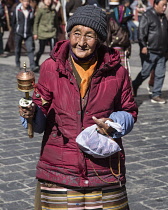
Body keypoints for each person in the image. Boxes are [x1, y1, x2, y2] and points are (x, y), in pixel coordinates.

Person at [19, 5, 138, 209]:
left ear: (99, 39)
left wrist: (114, 123)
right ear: (69, 33)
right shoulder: (51, 67)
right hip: (59, 168)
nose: (81, 42)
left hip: (103, 167)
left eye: (89, 36)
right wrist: (31, 114)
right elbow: (39, 119)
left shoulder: (117, 71)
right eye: (76, 34)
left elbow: (129, 111)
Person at [132, 0, 168, 104]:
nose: (165, 7)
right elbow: (141, 32)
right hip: (150, 51)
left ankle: (156, 94)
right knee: (145, 72)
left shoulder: (163, 17)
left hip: (162, 51)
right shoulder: (147, 15)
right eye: (163, 5)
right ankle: (134, 85)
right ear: (155, 4)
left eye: (166, 5)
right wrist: (143, 46)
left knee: (160, 74)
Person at [12, 0, 38, 71]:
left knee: (30, 49)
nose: (26, 3)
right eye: (24, 1)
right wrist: (15, 30)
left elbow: (32, 22)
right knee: (17, 49)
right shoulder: (17, 10)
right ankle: (17, 64)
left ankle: (32, 66)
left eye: (27, 1)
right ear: (22, 2)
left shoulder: (31, 10)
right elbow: (13, 21)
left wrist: (33, 32)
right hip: (18, 33)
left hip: (28, 33)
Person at [33, 0, 58, 68]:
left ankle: (53, 65)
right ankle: (36, 61)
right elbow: (36, 22)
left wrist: (57, 30)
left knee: (53, 50)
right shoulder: (40, 10)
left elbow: (56, 22)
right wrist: (35, 33)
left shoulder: (53, 10)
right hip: (42, 32)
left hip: (52, 32)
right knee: (41, 50)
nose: (48, 1)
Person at [106, 3, 132, 68]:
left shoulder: (124, 24)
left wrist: (128, 49)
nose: (126, 19)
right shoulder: (111, 22)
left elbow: (127, 38)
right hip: (113, 50)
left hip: (123, 52)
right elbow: (107, 37)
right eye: (125, 18)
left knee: (123, 71)